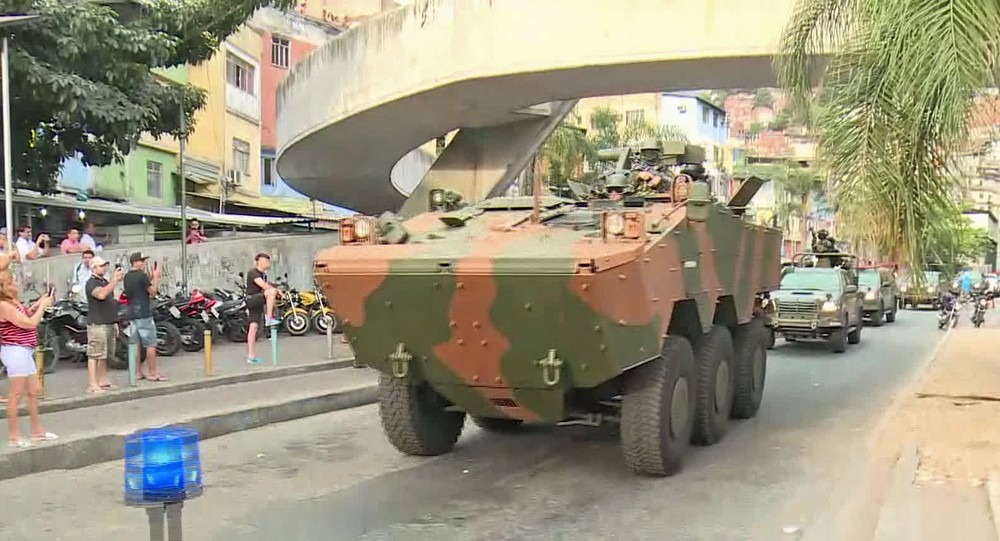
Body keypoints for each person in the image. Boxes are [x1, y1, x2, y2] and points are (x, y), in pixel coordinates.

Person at [0, 270, 57, 447]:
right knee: (16, 394)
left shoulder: (13, 302)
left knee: (32, 392)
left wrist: (38, 304)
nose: (15, 285)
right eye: (11, 283)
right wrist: (42, 307)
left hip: (24, 350)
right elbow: (28, 323)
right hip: (15, 350)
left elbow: (26, 315)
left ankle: (36, 431)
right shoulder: (3, 305)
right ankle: (14, 437)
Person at [122, 252, 166, 381]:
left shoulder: (127, 277)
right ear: (135, 262)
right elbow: (152, 292)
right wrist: (156, 278)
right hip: (144, 313)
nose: (144, 263)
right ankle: (152, 373)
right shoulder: (142, 275)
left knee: (136, 344)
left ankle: (138, 372)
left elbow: (136, 290)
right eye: (142, 260)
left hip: (131, 313)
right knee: (150, 344)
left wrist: (150, 278)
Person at [85, 256, 122, 393]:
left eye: (105, 265)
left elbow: (110, 300)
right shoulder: (91, 283)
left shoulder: (104, 281)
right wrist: (114, 280)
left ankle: (102, 380)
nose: (104, 268)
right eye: (101, 266)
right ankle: (93, 384)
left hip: (109, 321)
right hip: (97, 323)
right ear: (94, 268)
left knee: (105, 354)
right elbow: (101, 295)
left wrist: (115, 322)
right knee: (95, 354)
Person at [245, 253, 279, 364]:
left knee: (253, 327)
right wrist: (276, 291)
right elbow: (264, 286)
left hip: (258, 301)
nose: (267, 263)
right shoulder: (253, 273)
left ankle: (251, 356)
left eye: (268, 261)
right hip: (252, 299)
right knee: (271, 291)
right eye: (264, 261)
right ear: (257, 262)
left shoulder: (264, 275)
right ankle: (269, 318)